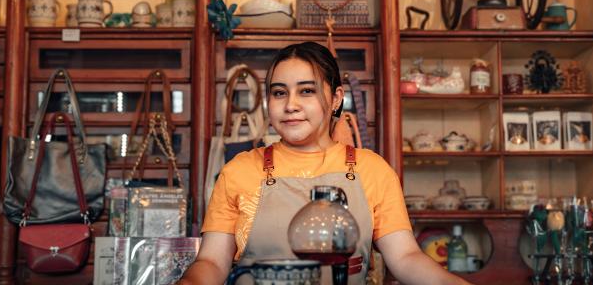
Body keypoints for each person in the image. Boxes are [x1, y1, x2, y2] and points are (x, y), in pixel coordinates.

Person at [180, 42, 470, 285]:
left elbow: (406, 259)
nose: (290, 104)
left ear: (336, 99)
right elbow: (211, 263)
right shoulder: (240, 171)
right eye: (279, 92)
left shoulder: (371, 170)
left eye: (306, 91)